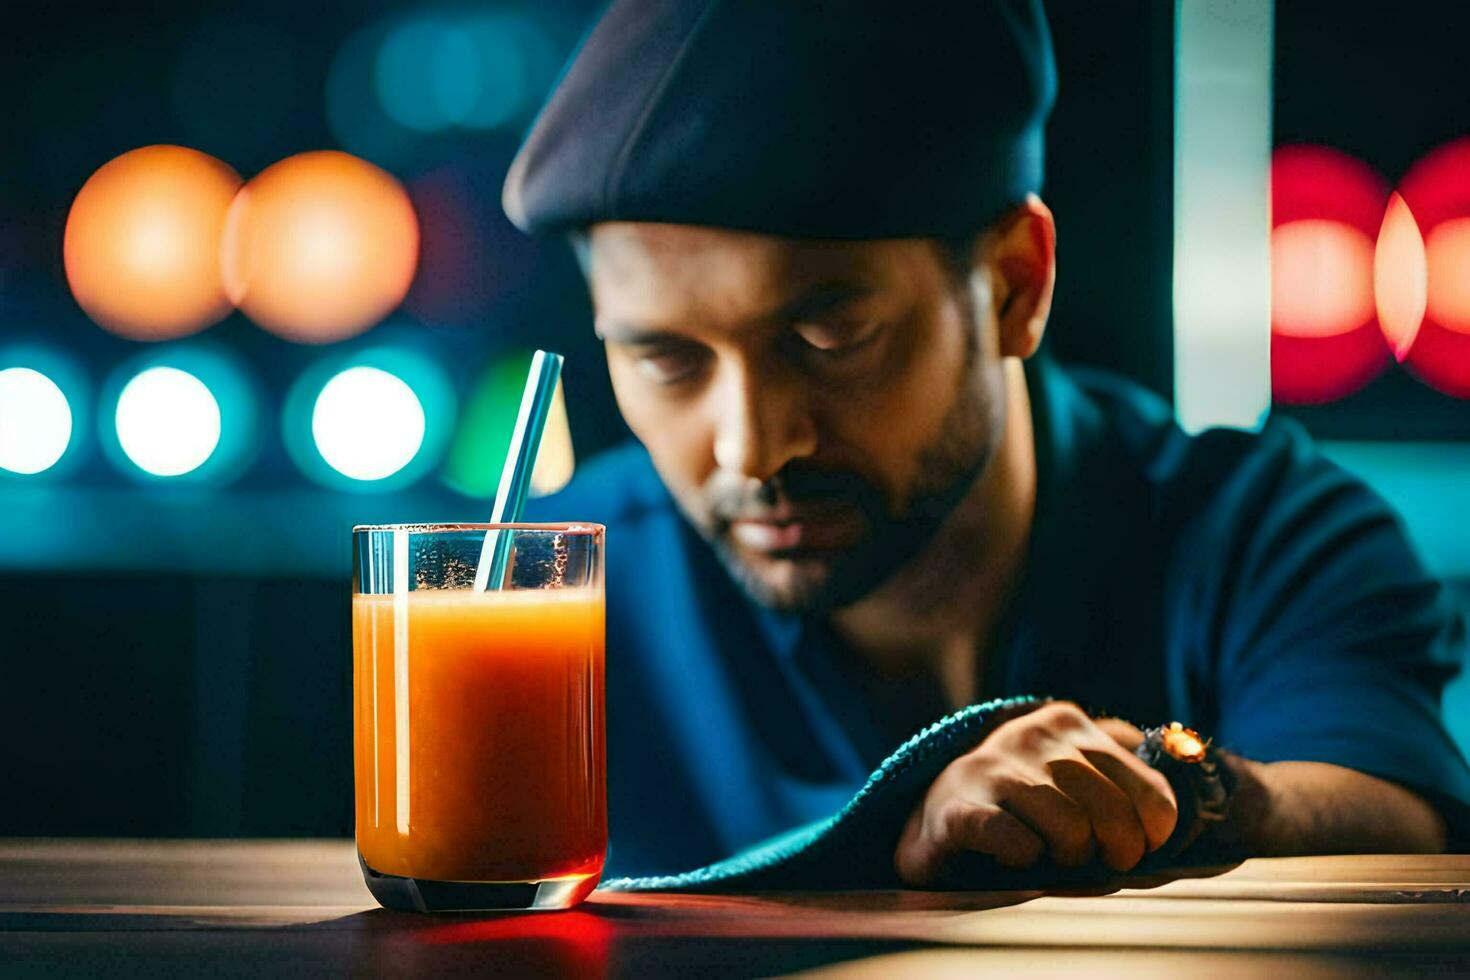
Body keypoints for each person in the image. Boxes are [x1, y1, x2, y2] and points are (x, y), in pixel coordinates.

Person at [514, 0, 1470, 885]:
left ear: (1015, 284)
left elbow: (1404, 825)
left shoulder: (1265, 533)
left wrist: (1168, 787)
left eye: (829, 339)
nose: (754, 448)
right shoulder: (544, 592)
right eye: (666, 360)